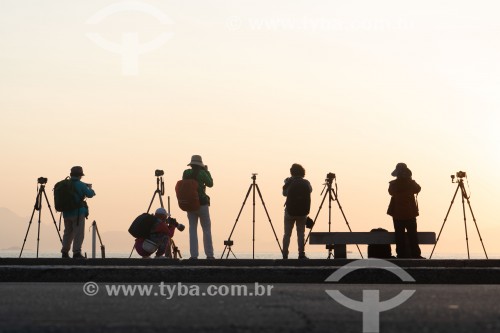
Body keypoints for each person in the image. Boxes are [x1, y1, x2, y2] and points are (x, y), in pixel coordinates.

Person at [387, 162, 424, 259]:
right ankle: (416, 254)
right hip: (410, 213)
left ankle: (401, 254)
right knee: (412, 235)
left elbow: (390, 192)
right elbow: (418, 189)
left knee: (399, 236)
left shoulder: (393, 184)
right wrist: (409, 180)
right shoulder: (411, 183)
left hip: (397, 214)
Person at [183, 155, 214, 259]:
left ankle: (194, 255)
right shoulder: (203, 173)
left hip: (190, 204)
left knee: (192, 229)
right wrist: (206, 171)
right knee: (206, 229)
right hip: (202, 204)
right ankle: (209, 255)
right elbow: (210, 184)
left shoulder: (186, 172)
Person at [61, 166, 96, 259]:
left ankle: (64, 252)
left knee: (68, 232)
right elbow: (90, 194)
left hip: (66, 212)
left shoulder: (65, 184)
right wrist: (90, 188)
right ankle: (76, 252)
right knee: (78, 233)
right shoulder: (81, 185)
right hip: (78, 213)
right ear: (80, 175)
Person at [282, 163, 312, 259]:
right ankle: (301, 254)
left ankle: (285, 254)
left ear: (292, 172)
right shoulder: (306, 182)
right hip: (302, 212)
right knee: (300, 234)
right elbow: (310, 190)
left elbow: (284, 194)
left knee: (287, 234)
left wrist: (287, 182)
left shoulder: (290, 182)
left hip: (289, 212)